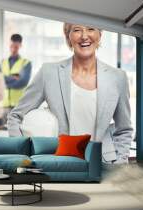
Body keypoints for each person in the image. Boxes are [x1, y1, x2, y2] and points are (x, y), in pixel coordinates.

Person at [7, 24, 133, 164]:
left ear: (100, 35)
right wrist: (24, 155)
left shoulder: (117, 77)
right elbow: (15, 117)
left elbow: (124, 129)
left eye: (91, 29)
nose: (84, 36)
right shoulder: (49, 73)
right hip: (60, 164)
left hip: (104, 164)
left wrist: (120, 161)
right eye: (77, 30)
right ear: (68, 36)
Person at [0, 34, 32, 125]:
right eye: (11, 46)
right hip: (2, 105)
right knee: (1, 136)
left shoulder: (26, 63)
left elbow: (23, 82)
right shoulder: (1, 63)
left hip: (18, 106)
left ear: (20, 46)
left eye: (16, 47)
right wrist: (13, 78)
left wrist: (5, 81)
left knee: (17, 135)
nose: (13, 49)